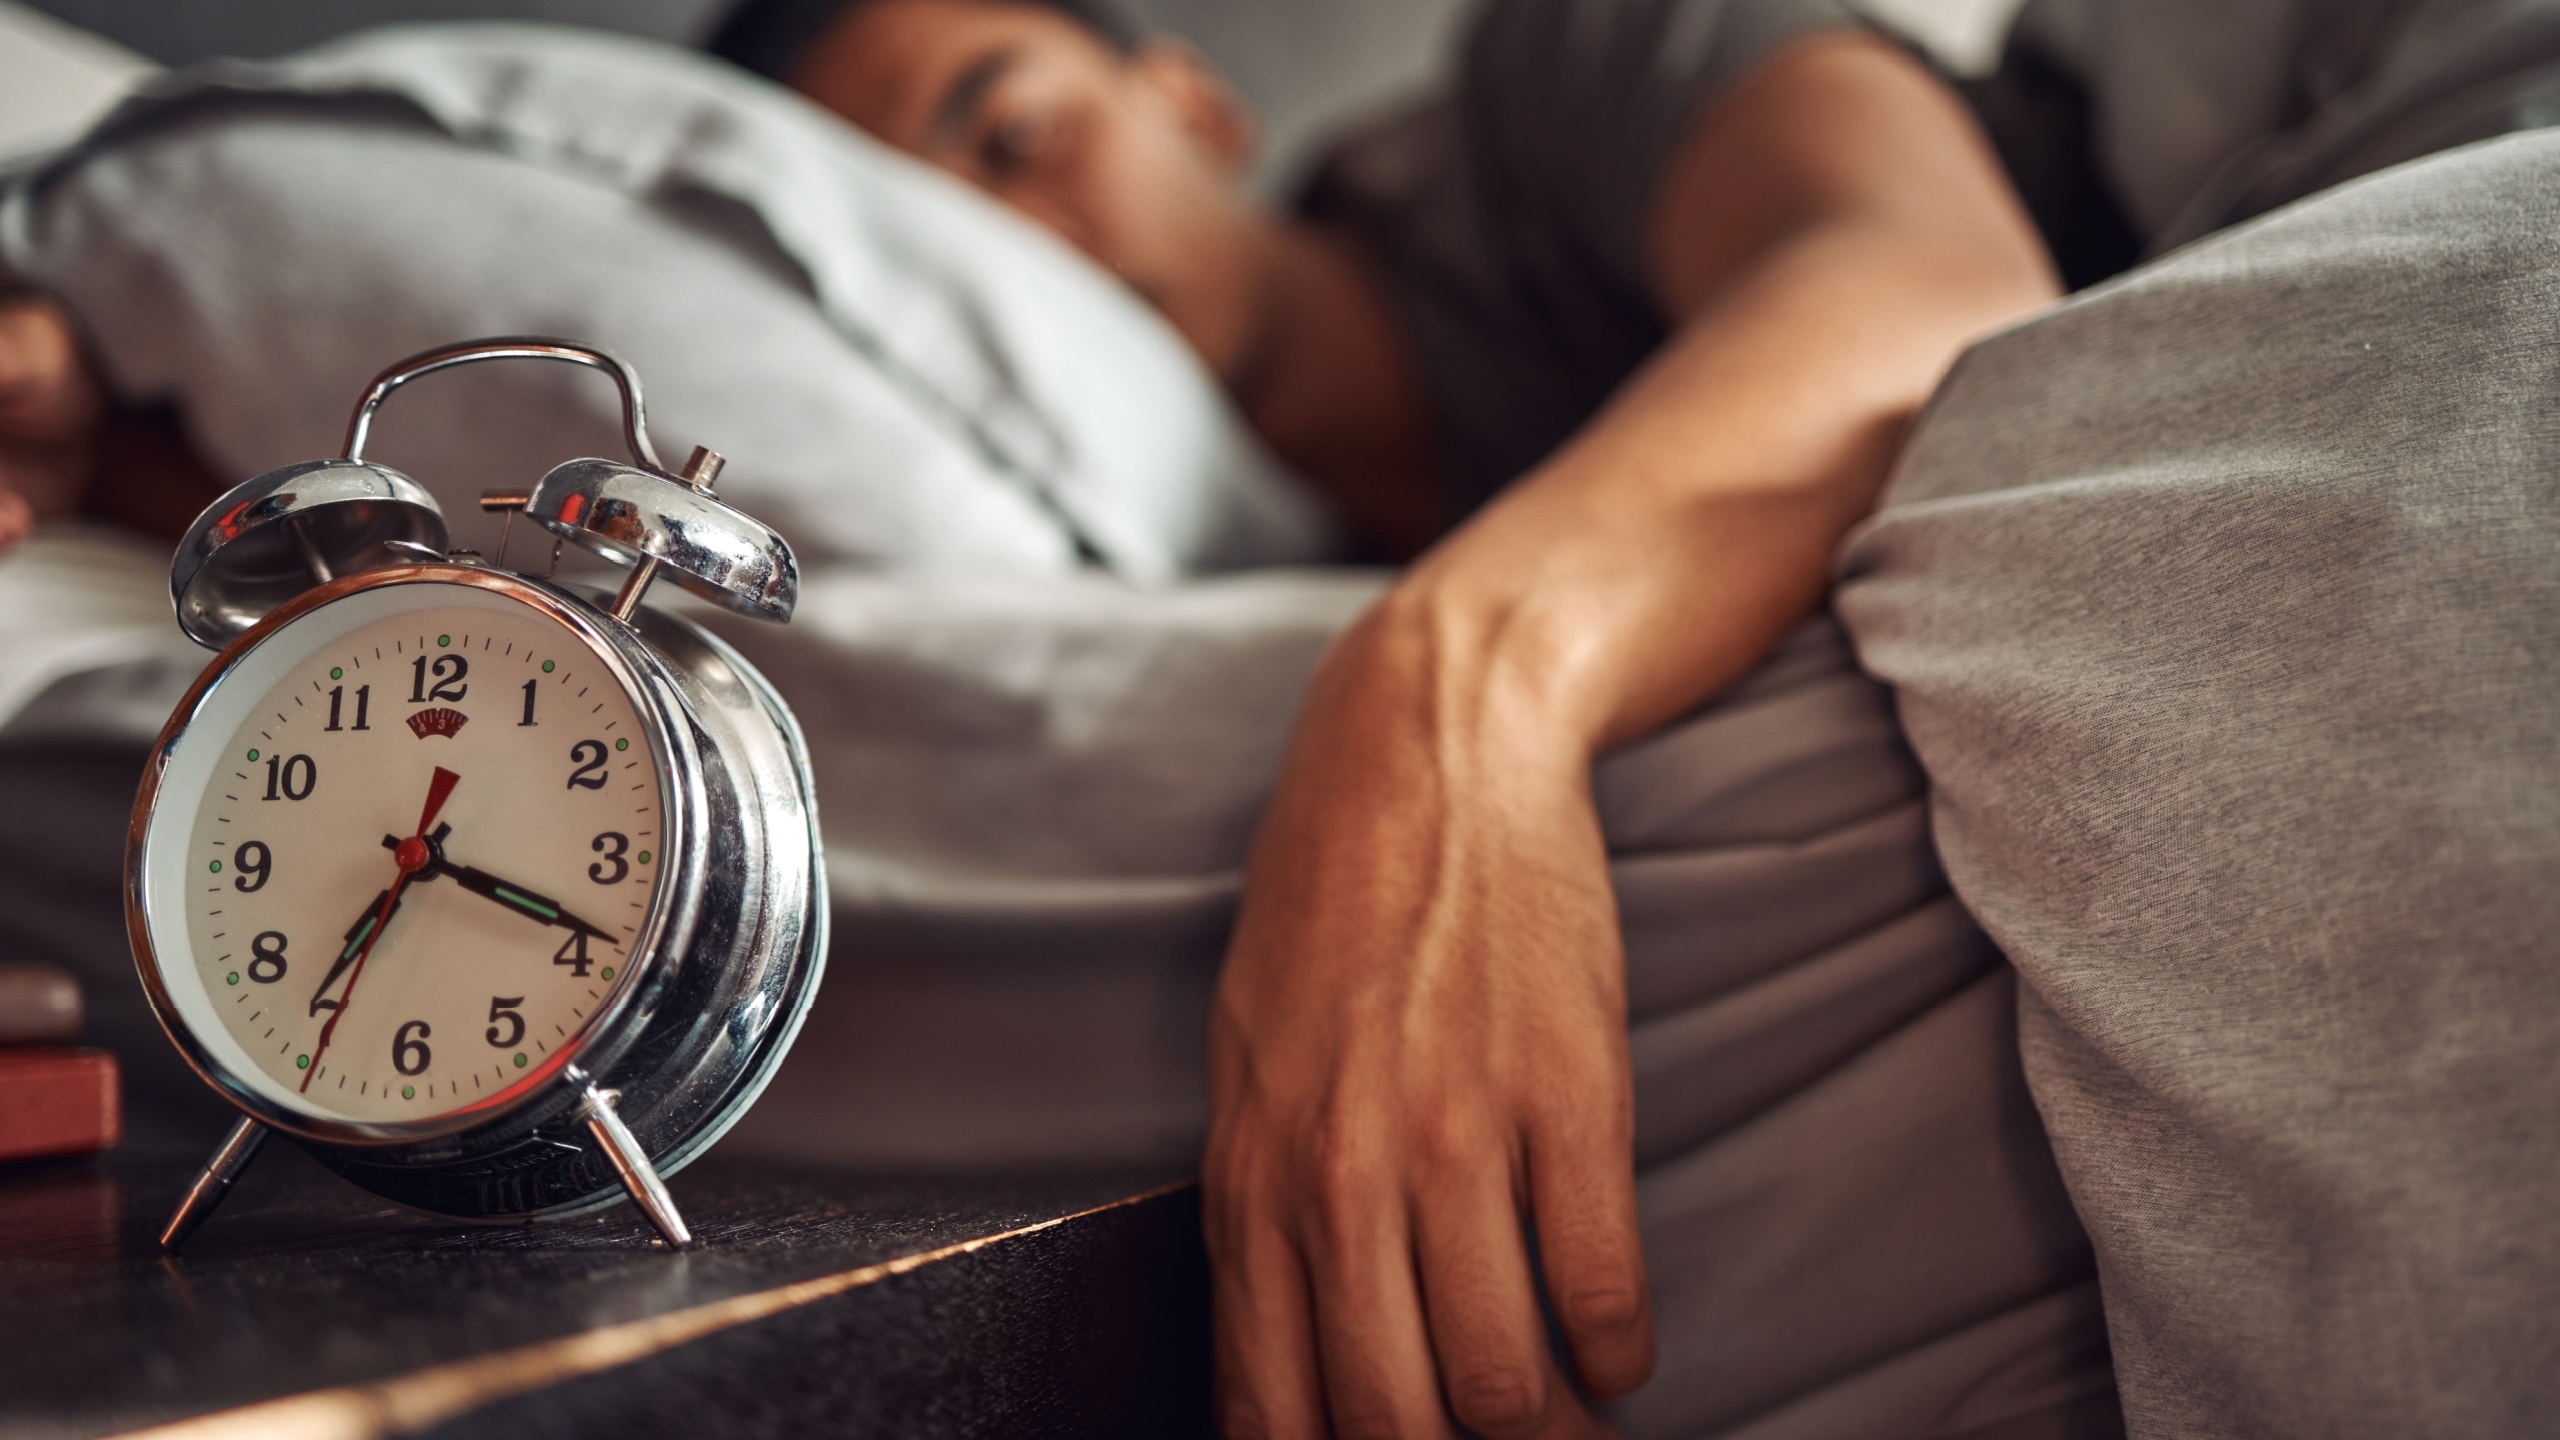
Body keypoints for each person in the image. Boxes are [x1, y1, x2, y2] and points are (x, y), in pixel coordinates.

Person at [712, 1, 2066, 1437]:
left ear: (1194, 104)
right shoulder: (1159, 575)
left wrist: (1443, 697)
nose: (1010, 256)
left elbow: (1938, 281)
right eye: (929, 249)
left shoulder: (1572, 63)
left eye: (1015, 137)